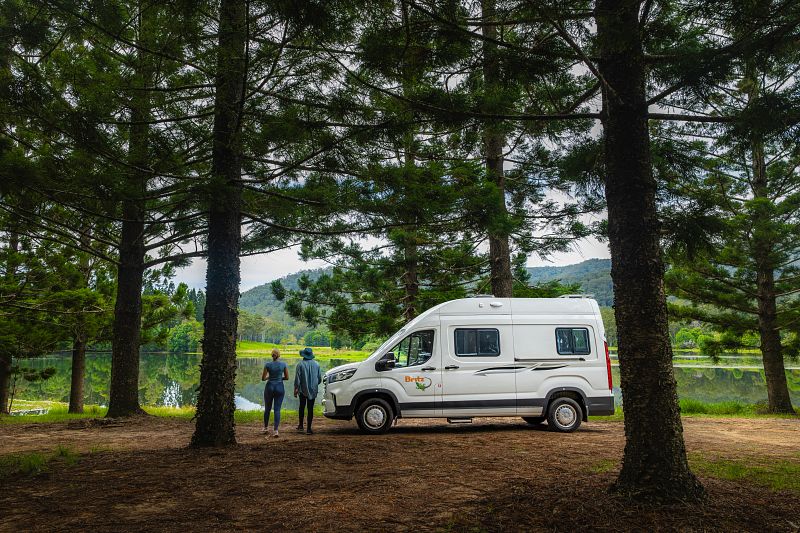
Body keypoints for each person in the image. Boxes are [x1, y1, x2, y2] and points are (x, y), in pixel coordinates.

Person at [294, 347, 323, 434]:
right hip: (313, 390)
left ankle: (301, 426)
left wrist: (296, 389)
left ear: (303, 355)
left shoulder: (300, 365)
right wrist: (314, 385)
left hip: (302, 390)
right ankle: (309, 429)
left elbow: (297, 379)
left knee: (301, 407)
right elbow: (319, 379)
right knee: (310, 409)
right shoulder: (317, 364)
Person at [261, 348, 289, 437]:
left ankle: (265, 428)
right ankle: (276, 431)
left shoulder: (267, 365)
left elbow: (263, 378)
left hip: (269, 387)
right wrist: (280, 378)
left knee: (267, 409)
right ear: (279, 355)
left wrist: (269, 377)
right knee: (277, 410)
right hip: (279, 387)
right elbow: (287, 377)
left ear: (272, 355)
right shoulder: (283, 364)